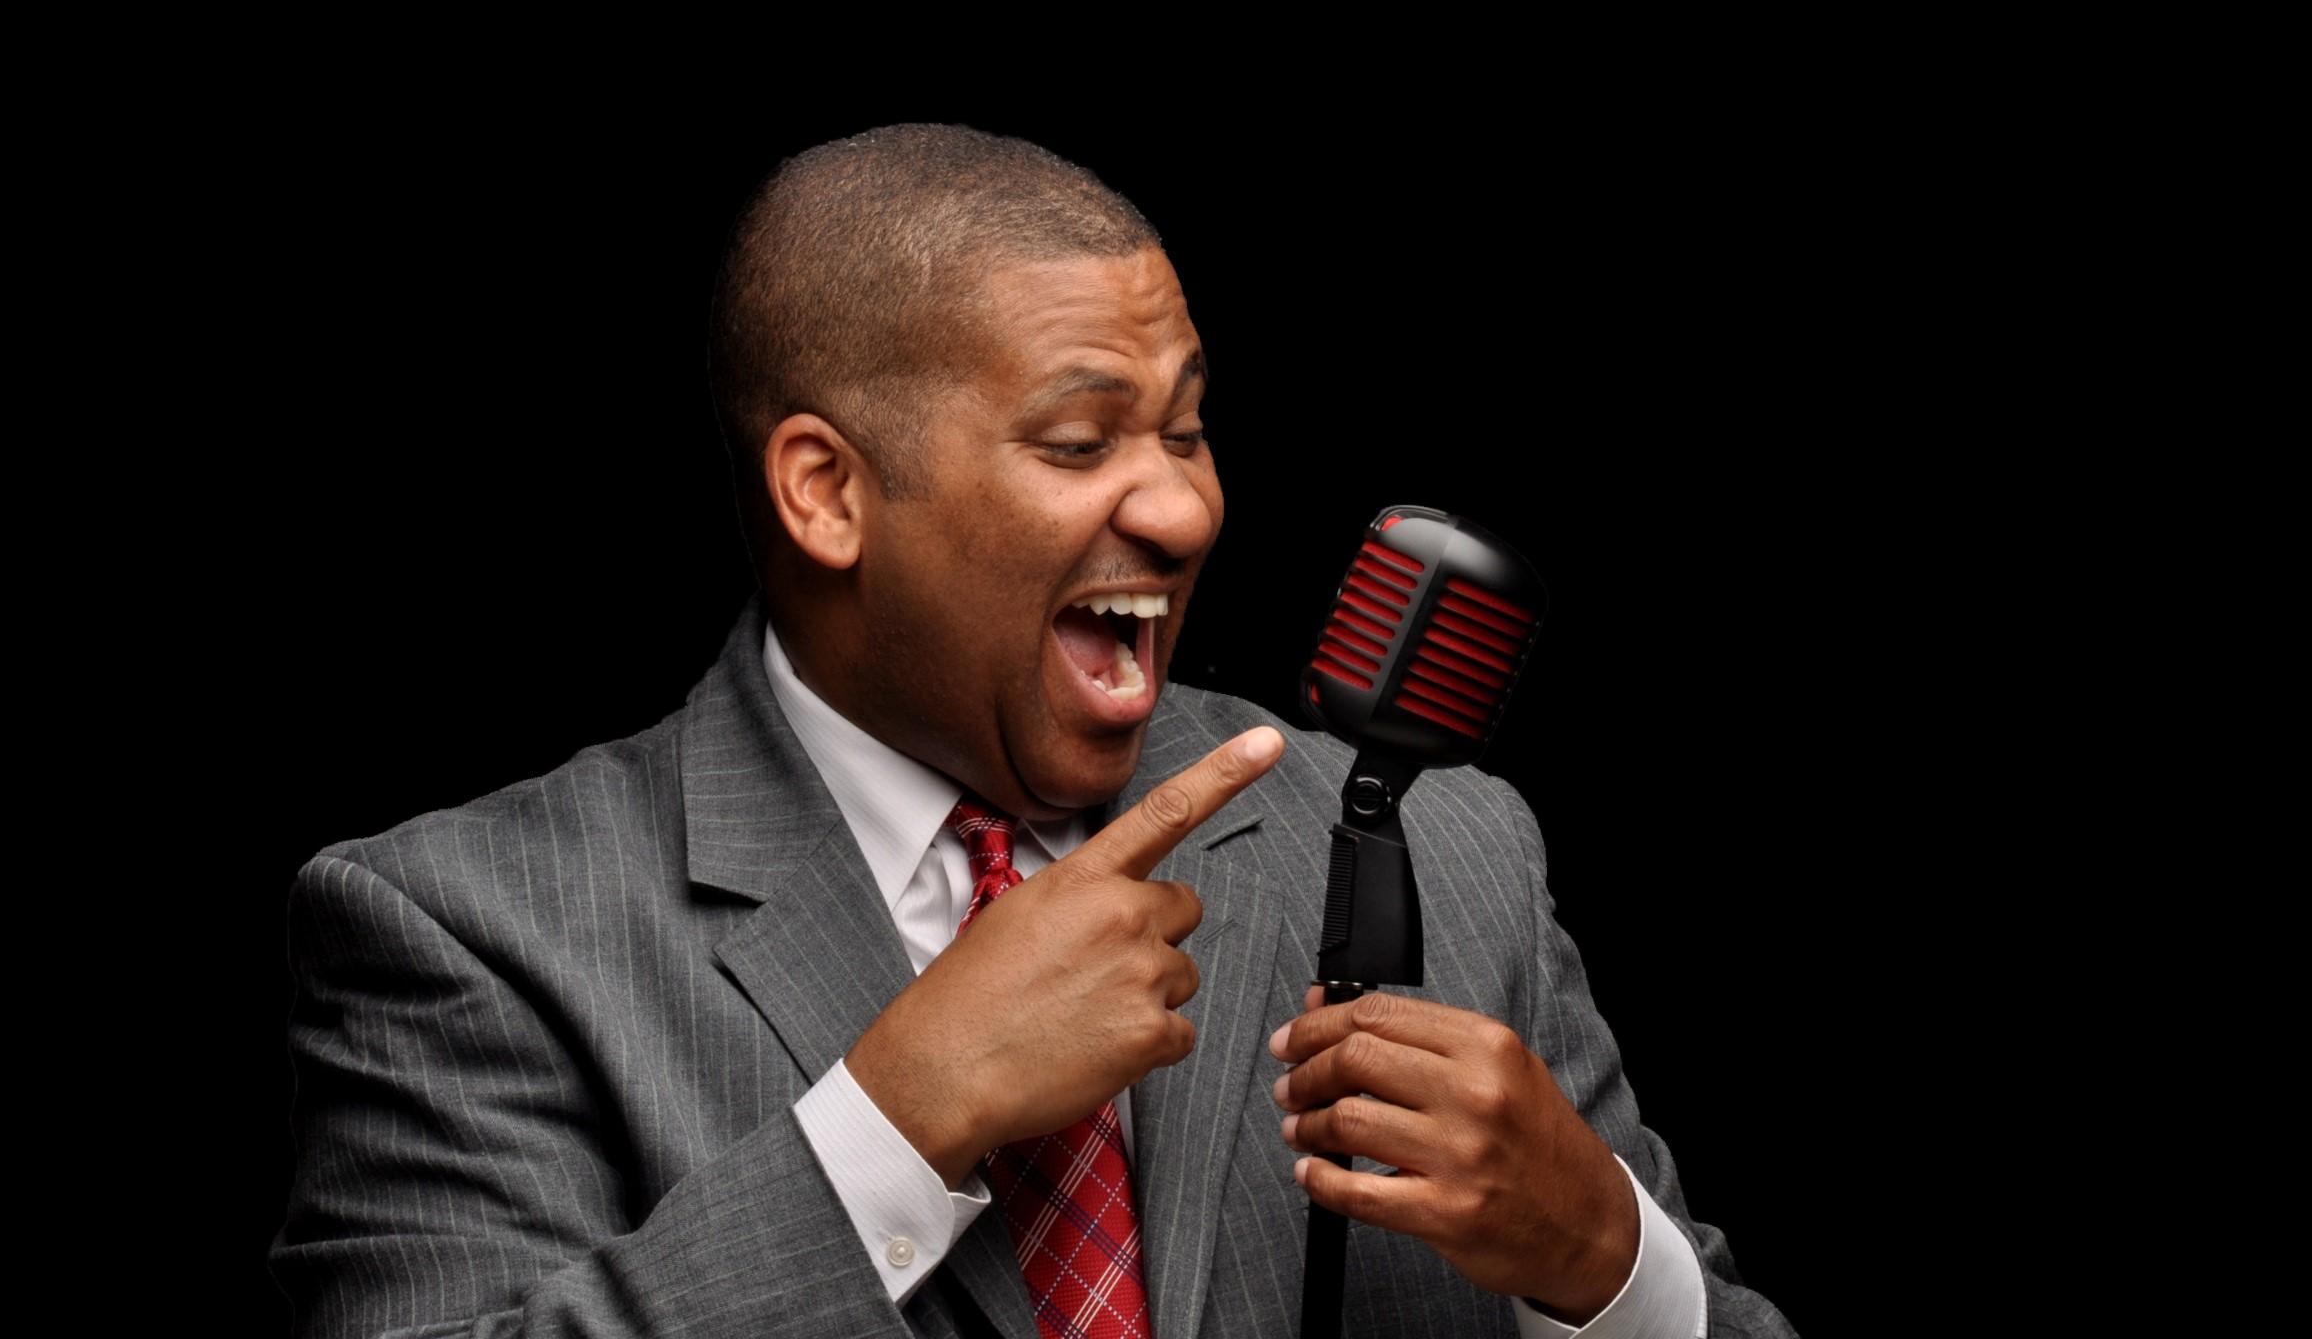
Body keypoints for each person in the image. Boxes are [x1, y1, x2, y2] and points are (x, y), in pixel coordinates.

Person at [272, 124, 1796, 1338]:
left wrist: (1605, 1262)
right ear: (827, 493)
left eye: (1187, 429)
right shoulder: (469, 929)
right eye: (1079, 441)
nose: (1184, 510)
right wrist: (897, 1121)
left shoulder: (1454, 853)